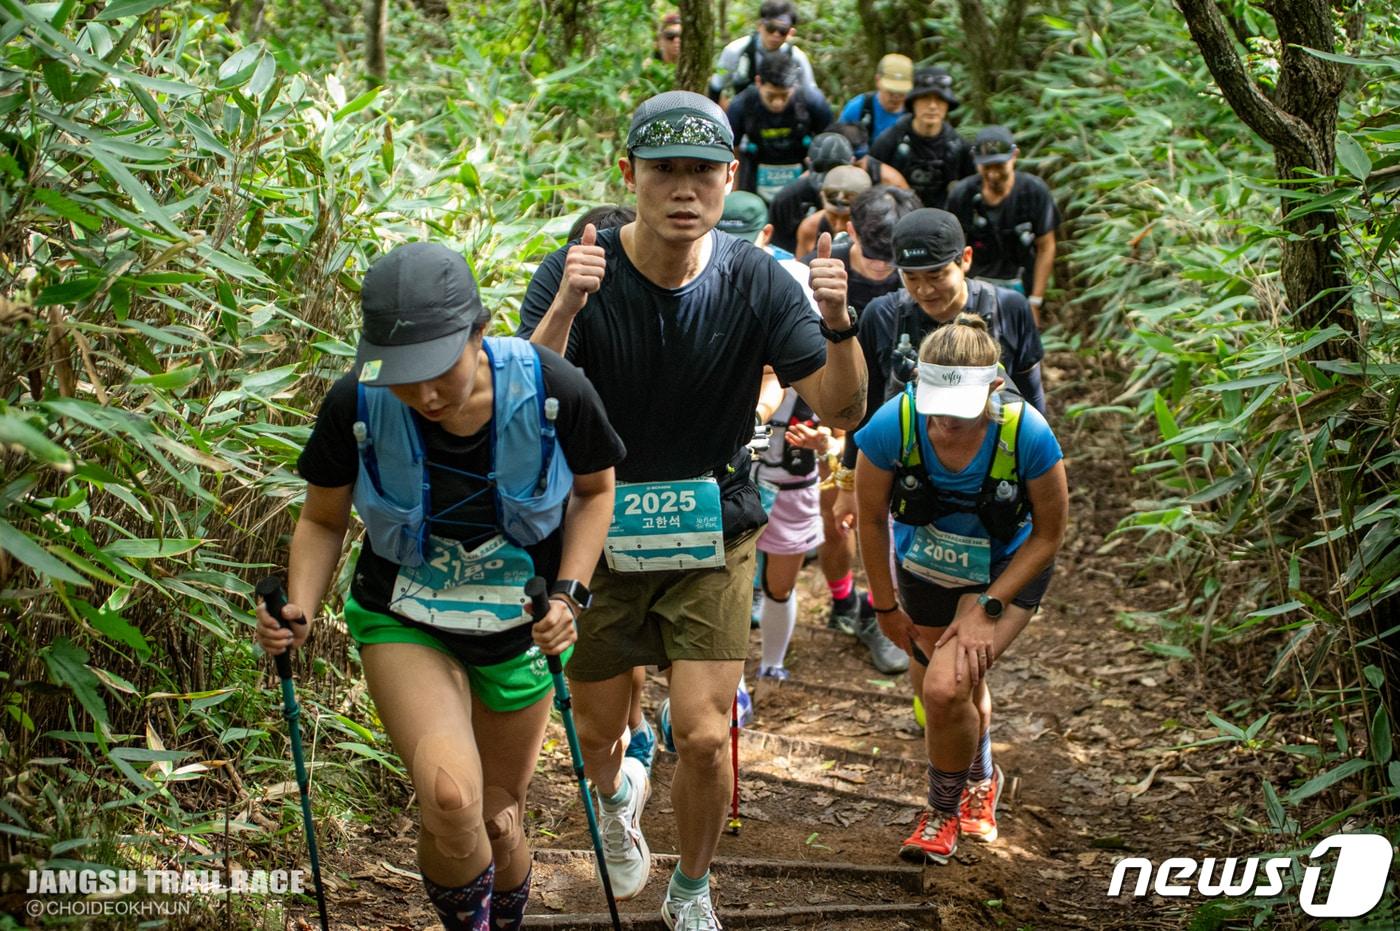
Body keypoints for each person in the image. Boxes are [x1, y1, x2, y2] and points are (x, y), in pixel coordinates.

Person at [517, 91, 866, 930]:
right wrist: (567, 305)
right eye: (665, 170)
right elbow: (524, 403)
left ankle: (694, 886)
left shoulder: (754, 277)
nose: (684, 189)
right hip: (595, 529)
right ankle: (616, 792)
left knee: (705, 734)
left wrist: (840, 321)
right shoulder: (581, 262)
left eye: (702, 171)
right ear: (629, 174)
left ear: (730, 178)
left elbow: (843, 405)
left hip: (715, 526)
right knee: (600, 731)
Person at [254, 243, 624, 931]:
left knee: (499, 817)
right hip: (407, 618)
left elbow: (596, 492)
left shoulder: (552, 387)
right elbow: (322, 518)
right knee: (452, 799)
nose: (423, 393)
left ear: (478, 333)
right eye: (403, 375)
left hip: (521, 630)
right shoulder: (356, 404)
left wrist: (571, 593)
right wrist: (299, 604)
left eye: (437, 369)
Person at [852, 313, 1067, 863]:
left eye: (960, 409)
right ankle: (981, 775)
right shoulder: (892, 422)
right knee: (947, 684)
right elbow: (871, 516)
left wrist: (988, 606)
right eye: (935, 406)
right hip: (927, 563)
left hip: (1004, 568)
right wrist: (883, 604)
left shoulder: (1028, 433)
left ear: (994, 388)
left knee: (944, 690)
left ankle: (942, 814)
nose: (944, 421)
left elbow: (1049, 535)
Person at [831, 209, 1045, 663]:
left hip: (992, 486)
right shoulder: (884, 315)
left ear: (965, 259)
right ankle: (935, 712)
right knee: (926, 645)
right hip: (911, 487)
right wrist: (848, 483)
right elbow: (867, 410)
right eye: (911, 278)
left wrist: (1037, 477)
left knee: (965, 656)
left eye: (937, 275)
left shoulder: (1007, 308)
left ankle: (960, 719)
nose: (925, 290)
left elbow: (1033, 395)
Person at [946, 126, 1060, 326]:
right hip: (975, 284)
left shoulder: (1034, 192)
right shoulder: (962, 195)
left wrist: (1035, 300)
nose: (993, 174)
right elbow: (951, 247)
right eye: (986, 167)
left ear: (1014, 156)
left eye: (999, 165)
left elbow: (1046, 245)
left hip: (1020, 283)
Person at [727, 52, 833, 201]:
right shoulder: (741, 105)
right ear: (758, 82)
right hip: (756, 171)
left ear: (794, 86)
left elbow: (830, 143)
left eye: (784, 96)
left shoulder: (812, 101)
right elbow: (731, 150)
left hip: (802, 172)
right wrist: (733, 191)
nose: (778, 103)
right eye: (770, 96)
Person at [869, 67, 974, 210]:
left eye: (939, 100)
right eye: (925, 98)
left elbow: (972, 188)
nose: (932, 106)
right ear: (913, 103)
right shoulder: (890, 140)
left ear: (947, 105)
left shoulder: (957, 145)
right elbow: (871, 182)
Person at [707, 0, 817, 106]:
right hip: (743, 113)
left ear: (790, 32)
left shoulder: (797, 58)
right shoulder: (736, 51)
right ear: (760, 25)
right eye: (771, 28)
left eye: (782, 30)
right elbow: (717, 86)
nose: (776, 35)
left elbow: (812, 94)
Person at [766, 131, 856, 255]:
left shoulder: (862, 195)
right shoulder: (788, 198)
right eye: (820, 168)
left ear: (853, 162)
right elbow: (778, 249)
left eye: (836, 168)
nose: (829, 178)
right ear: (808, 162)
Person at [794, 164, 870, 257]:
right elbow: (800, 268)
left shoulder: (879, 231)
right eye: (832, 216)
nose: (838, 227)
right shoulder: (810, 228)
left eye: (847, 218)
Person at [838, 53, 913, 142]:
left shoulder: (915, 112)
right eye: (891, 91)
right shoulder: (859, 108)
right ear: (878, 81)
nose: (896, 97)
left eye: (901, 92)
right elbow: (838, 144)